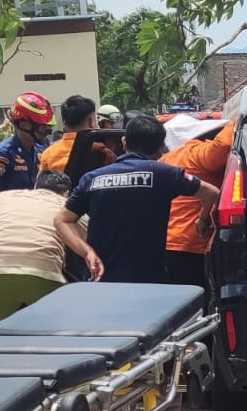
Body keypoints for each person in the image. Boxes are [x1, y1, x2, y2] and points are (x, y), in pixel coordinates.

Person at [55, 114, 219, 285]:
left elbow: (62, 220)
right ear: (160, 148)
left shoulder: (92, 179)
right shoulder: (166, 174)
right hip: (147, 282)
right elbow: (212, 193)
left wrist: (87, 252)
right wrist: (202, 219)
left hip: (100, 279)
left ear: (124, 142)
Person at [0, 170, 80, 334]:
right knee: (53, 338)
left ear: (35, 186)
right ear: (66, 193)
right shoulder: (66, 207)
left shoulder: (3, 198)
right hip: (43, 272)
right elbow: (86, 243)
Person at [159, 120, 234, 288]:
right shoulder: (193, 152)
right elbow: (223, 144)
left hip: (168, 242)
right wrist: (236, 118)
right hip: (193, 243)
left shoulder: (165, 159)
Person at [0, 92, 52, 209]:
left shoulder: (42, 150)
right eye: (42, 126)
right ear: (24, 124)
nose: (47, 131)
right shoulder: (0, 155)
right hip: (10, 222)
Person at [38, 94, 112, 175]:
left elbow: (41, 184)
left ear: (64, 123)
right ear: (91, 122)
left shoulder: (48, 154)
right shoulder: (102, 151)